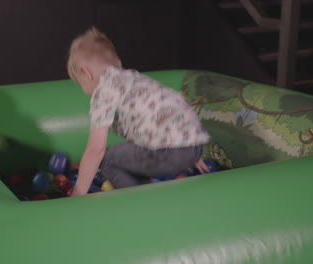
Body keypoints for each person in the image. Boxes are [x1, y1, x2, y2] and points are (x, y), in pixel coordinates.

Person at [67, 27, 210, 196]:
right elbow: (169, 110)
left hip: (168, 151)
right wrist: (190, 153)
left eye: (81, 84)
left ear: (86, 73)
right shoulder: (133, 78)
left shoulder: (103, 90)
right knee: (131, 152)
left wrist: (78, 192)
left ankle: (141, 202)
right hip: (194, 145)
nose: (84, 90)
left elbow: (95, 150)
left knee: (108, 160)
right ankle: (147, 192)